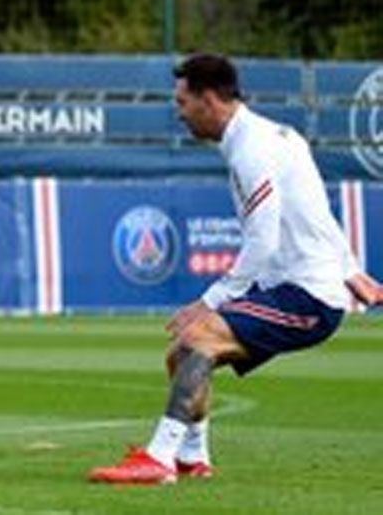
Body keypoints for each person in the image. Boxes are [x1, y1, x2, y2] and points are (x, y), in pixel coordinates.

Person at [89, 53, 383, 485]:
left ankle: (158, 459)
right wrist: (351, 267)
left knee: (197, 336)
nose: (179, 113)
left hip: (308, 296)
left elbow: (261, 240)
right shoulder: (277, 136)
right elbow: (317, 211)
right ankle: (193, 457)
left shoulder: (252, 149)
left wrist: (207, 302)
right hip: (298, 287)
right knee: (182, 354)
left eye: (183, 102)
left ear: (208, 100)